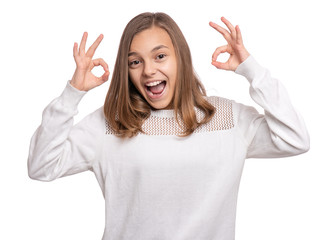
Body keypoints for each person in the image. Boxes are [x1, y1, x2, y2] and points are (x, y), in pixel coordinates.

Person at [28, 12, 310, 240]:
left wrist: (252, 70)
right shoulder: (112, 123)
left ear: (181, 58)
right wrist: (73, 92)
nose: (148, 70)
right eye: (135, 61)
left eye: (160, 56)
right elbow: (42, 166)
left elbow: (295, 139)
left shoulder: (226, 118)